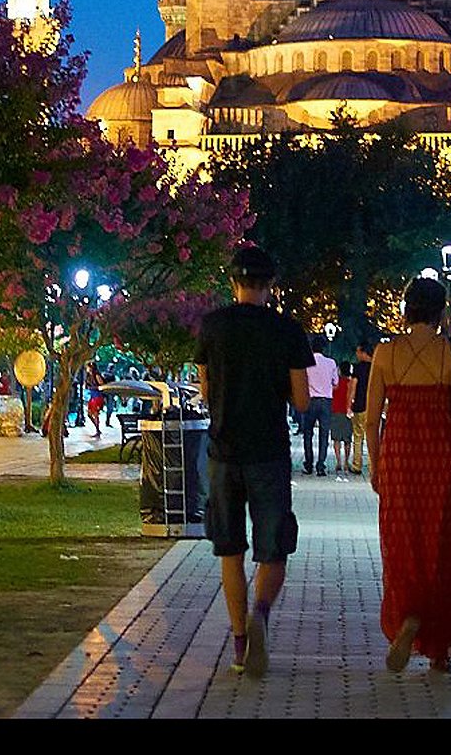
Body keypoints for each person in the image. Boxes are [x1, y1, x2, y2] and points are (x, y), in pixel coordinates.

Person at [365, 276, 451, 673]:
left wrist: (376, 466)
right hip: (445, 461)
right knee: (445, 547)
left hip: (400, 460)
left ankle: (408, 619)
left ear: (406, 309)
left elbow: (370, 421)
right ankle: (439, 649)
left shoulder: (385, 354)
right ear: (441, 311)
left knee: (404, 545)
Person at [195, 245, 311, 678]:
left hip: (225, 451)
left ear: (233, 282)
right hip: (270, 453)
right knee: (273, 546)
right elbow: (301, 399)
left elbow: (205, 391)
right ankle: (260, 614)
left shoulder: (212, 327)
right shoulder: (288, 331)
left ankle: (240, 647)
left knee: (230, 550)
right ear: (270, 285)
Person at [300, 336, 339, 475]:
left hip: (310, 400)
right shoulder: (331, 363)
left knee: (308, 433)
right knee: (324, 434)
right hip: (326, 401)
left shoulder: (305, 362)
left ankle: (308, 463)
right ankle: (321, 465)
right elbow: (335, 383)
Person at [347, 339, 375, 475]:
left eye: (358, 351)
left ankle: (357, 465)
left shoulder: (358, 369)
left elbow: (353, 388)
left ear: (364, 353)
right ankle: (372, 466)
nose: (357, 354)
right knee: (372, 436)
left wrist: (349, 405)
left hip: (359, 405)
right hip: (373, 406)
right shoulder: (376, 368)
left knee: (358, 437)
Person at [328, 362, 354, 474]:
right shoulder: (350, 383)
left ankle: (338, 461)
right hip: (347, 412)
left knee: (337, 439)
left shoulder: (335, 384)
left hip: (335, 411)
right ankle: (347, 462)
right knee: (347, 439)